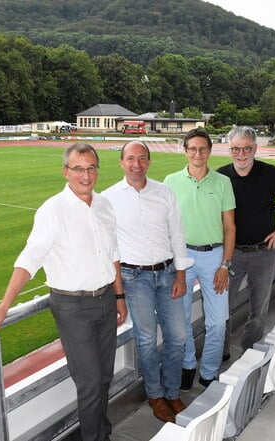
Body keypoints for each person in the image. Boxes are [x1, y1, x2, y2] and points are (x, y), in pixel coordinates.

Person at [0, 142, 127, 441]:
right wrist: (5, 305)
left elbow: (113, 254)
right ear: (65, 172)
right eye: (78, 169)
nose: (86, 175)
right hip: (73, 307)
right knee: (91, 382)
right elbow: (29, 261)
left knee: (104, 377)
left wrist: (119, 297)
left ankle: (103, 432)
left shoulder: (104, 205)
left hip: (107, 300)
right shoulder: (52, 211)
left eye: (91, 168)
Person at [103, 140, 193, 423]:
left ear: (149, 162)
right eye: (130, 158)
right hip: (134, 278)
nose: (136, 164)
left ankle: (172, 391)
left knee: (178, 337)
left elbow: (178, 235)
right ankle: (155, 395)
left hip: (168, 275)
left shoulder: (164, 192)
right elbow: (109, 249)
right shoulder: (108, 199)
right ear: (121, 162)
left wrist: (181, 274)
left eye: (142, 158)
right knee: (146, 339)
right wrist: (118, 294)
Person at [217, 126, 275, 352]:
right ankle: (220, 352)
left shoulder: (269, 174)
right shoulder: (220, 177)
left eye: (246, 148)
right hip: (229, 255)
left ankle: (250, 352)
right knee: (221, 309)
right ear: (229, 149)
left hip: (262, 254)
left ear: (255, 149)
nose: (241, 154)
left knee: (258, 311)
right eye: (236, 149)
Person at [164, 128, 236, 391]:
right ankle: (187, 367)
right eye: (192, 148)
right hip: (181, 258)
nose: (197, 153)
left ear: (209, 151)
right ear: (185, 151)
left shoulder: (222, 182)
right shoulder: (170, 181)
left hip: (214, 256)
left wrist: (225, 265)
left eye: (202, 149)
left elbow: (230, 227)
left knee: (217, 321)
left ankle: (209, 371)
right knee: (180, 319)